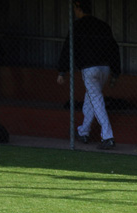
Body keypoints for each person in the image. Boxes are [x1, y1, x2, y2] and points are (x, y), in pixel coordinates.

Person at [56, 0, 121, 150]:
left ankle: (108, 136)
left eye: (75, 8)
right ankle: (83, 131)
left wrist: (62, 70)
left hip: (89, 69)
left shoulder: (78, 26)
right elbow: (114, 48)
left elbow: (68, 48)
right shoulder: (103, 26)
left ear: (79, 9)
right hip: (105, 68)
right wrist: (116, 72)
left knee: (96, 100)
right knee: (91, 99)